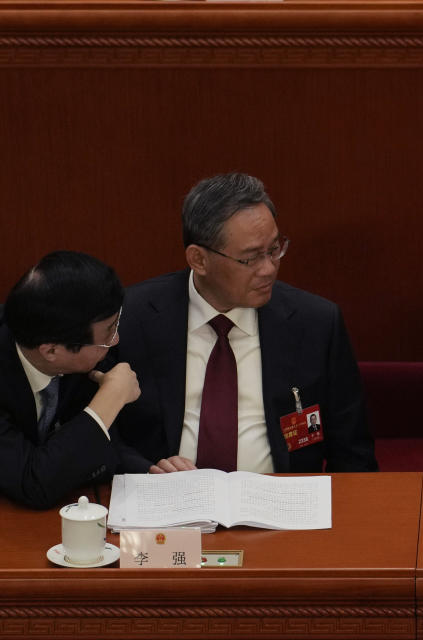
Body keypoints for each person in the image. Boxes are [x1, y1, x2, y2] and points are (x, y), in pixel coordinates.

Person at [112, 172, 377, 474]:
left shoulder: (316, 323)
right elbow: (94, 431)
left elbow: (354, 454)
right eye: (250, 258)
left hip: (281, 505)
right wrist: (146, 469)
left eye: (274, 250)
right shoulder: (131, 316)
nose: (268, 269)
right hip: (164, 504)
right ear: (199, 260)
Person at [0, 251, 141, 508]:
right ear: (51, 350)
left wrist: (151, 471)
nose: (116, 340)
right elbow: (33, 485)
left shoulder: (84, 346)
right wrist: (111, 397)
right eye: (108, 334)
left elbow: (109, 450)